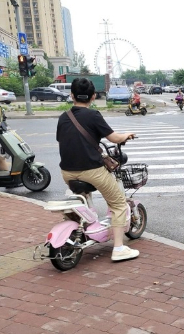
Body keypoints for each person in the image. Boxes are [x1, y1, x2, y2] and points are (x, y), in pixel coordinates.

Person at [56, 78, 139, 262]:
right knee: (118, 204)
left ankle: (84, 226)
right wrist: (126, 135)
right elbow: (114, 138)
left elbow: (64, 140)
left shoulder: (64, 117)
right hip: (91, 171)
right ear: (93, 96)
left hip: (67, 172)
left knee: (82, 196)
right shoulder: (93, 115)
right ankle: (118, 248)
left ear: (72, 95)